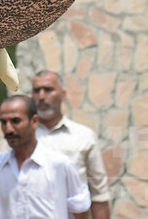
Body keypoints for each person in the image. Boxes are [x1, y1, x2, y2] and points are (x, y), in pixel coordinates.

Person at [0, 95, 91, 219]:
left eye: (15, 121)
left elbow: (81, 211)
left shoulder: (60, 165)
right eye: (4, 122)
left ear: (34, 121)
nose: (9, 129)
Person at [32, 70, 111, 219]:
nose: (41, 96)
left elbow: (99, 194)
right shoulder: (21, 138)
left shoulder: (84, 137)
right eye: (37, 91)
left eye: (48, 89)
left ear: (63, 95)